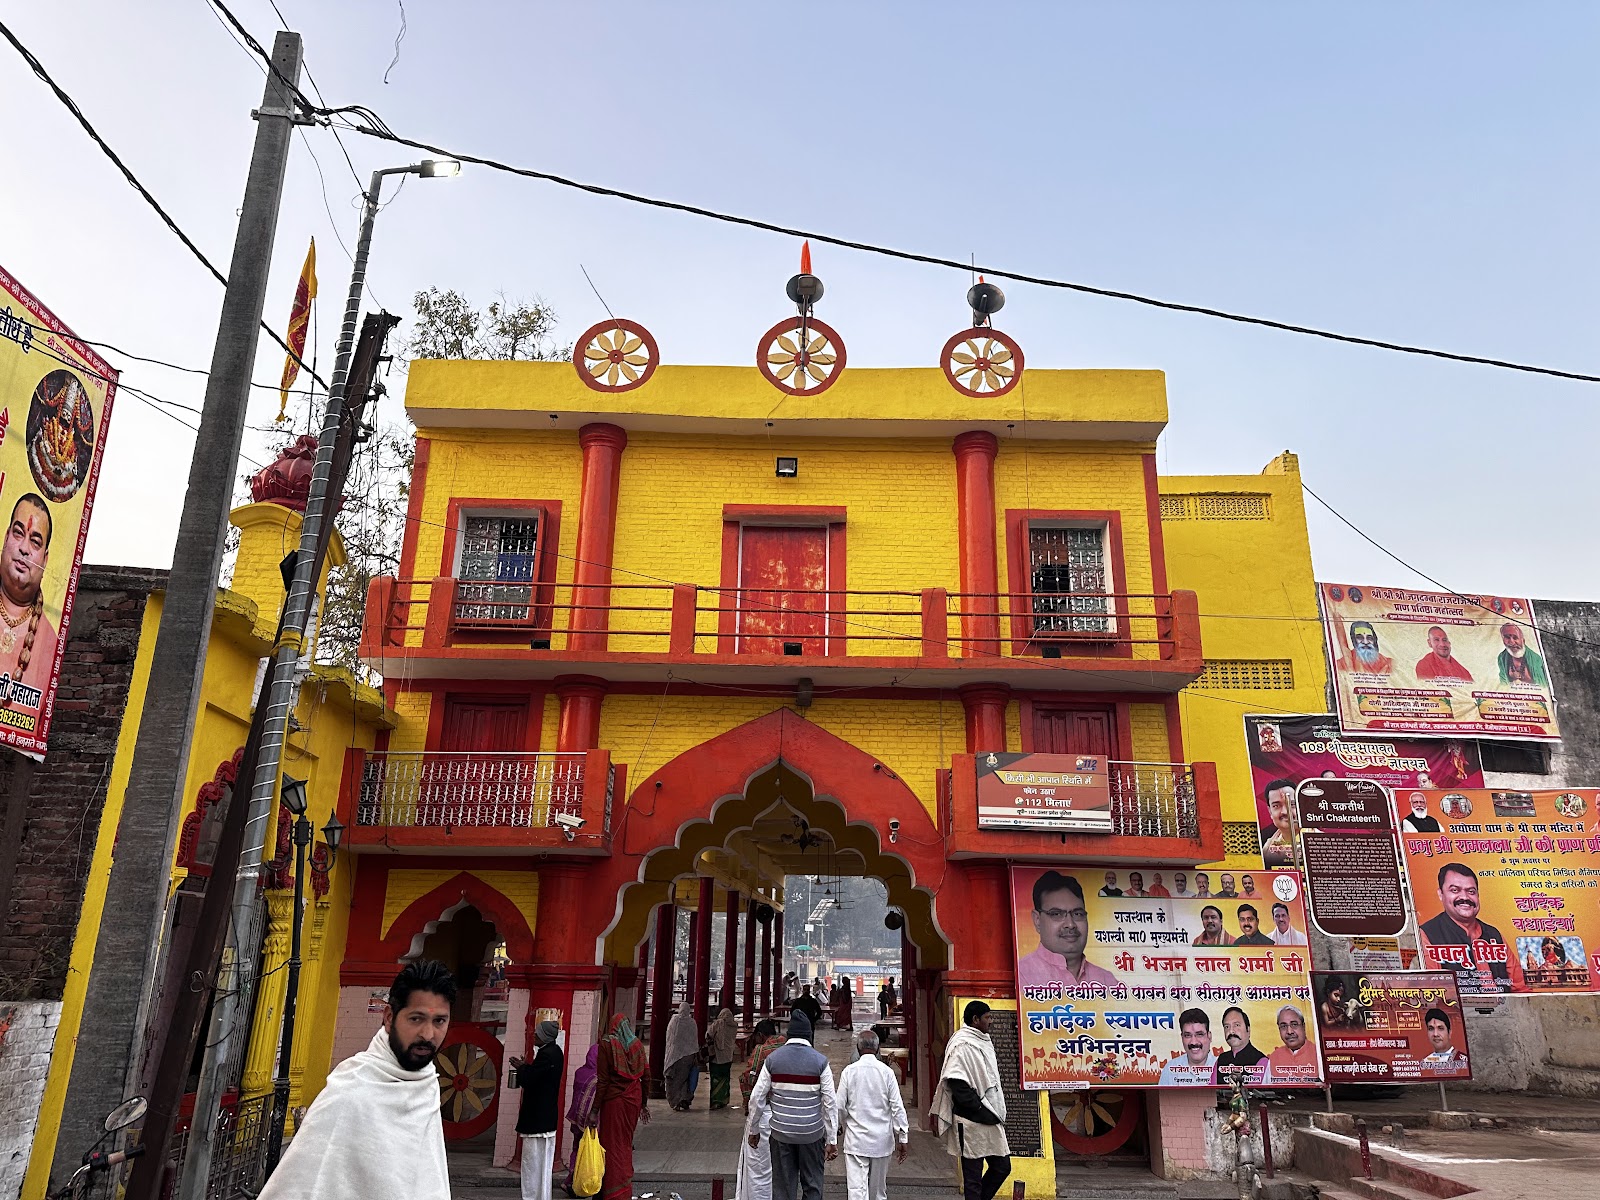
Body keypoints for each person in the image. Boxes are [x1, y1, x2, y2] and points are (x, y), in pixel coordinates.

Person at [257, 959, 454, 1200]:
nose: (428, 1034)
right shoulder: (350, 1090)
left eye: (439, 1021)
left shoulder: (426, 1083)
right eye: (416, 1019)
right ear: (389, 1017)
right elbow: (298, 1187)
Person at [746, 1010, 837, 1200]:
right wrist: (832, 1139)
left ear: (789, 1034)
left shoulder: (773, 1060)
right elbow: (830, 1102)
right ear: (809, 1035)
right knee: (813, 1186)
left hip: (781, 1134)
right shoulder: (821, 1062)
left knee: (783, 1188)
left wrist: (754, 1129)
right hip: (812, 1135)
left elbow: (756, 1097)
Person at [933, 1001, 1010, 1200]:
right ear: (975, 1019)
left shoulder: (982, 1040)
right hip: (970, 1120)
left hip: (990, 1115)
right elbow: (958, 1084)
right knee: (973, 1180)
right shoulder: (962, 1044)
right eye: (987, 1017)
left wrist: (990, 1111)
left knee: (1002, 1167)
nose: (990, 1021)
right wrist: (978, 1108)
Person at [1418, 862, 1516, 991]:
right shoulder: (1427, 935)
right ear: (1441, 894)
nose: (1465, 897)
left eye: (1471, 891)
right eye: (1455, 890)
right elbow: (1434, 993)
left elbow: (1520, 988)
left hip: (1503, 1004)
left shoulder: (1494, 935)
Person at [835, 1029, 909, 1200]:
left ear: (858, 1048)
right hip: (881, 1141)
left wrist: (835, 1129)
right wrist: (903, 1137)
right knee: (878, 1191)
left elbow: (839, 1106)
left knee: (856, 1190)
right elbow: (897, 1107)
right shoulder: (887, 1073)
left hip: (856, 1140)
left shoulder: (849, 1072)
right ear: (877, 1049)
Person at [1017, 870, 1118, 989]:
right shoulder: (1021, 975)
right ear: (1037, 920)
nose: (1070, 924)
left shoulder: (1107, 981)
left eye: (1078, 914)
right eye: (1056, 914)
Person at [0, 494, 58, 691]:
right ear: (6, 538)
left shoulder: (51, 642)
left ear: (45, 560)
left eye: (35, 541)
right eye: (18, 533)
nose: (24, 548)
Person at [595, 1014, 652, 1200]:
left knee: (611, 1146)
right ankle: (624, 1189)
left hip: (613, 1102)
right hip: (633, 1100)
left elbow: (603, 1081)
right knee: (625, 1144)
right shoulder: (637, 1045)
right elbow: (647, 1076)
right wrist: (643, 1103)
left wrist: (594, 1110)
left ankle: (613, 1191)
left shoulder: (607, 1044)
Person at [512, 1020, 565, 1200]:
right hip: (547, 1117)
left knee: (531, 1163)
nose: (534, 1036)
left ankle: (531, 1196)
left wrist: (521, 1068)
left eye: (537, 1034)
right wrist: (526, 1067)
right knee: (544, 1164)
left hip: (537, 1118)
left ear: (544, 1037)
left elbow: (530, 1079)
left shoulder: (545, 1056)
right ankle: (542, 1196)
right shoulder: (555, 1052)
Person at [737, 1019, 786, 1200]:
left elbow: (749, 1079)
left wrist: (748, 1106)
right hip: (784, 1114)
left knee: (757, 1165)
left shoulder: (762, 1050)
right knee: (778, 1165)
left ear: (760, 1035)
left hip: (763, 1112)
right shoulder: (787, 1048)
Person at [560, 1044, 600, 1196]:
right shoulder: (600, 1078)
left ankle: (569, 1181)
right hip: (592, 1122)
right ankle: (580, 1183)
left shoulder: (580, 1073)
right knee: (588, 1153)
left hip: (576, 1119)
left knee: (577, 1149)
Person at [1156, 1008, 1216, 1085]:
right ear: (1182, 1038)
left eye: (1199, 1034)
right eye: (1188, 1035)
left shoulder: (1221, 1068)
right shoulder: (1170, 1069)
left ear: (1209, 1036)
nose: (1193, 1042)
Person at [1212, 1006, 1267, 1086]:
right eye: (1227, 1027)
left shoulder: (1261, 1061)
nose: (1231, 1031)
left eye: (1237, 1025)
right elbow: (1211, 1091)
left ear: (1248, 1030)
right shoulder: (1221, 1060)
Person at [1266, 1006, 1317, 1084]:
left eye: (1294, 1024)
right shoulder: (1274, 1058)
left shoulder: (1319, 1055)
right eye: (1283, 1026)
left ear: (1303, 1026)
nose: (1289, 1031)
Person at [663, 1005, 700, 1111]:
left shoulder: (674, 1021)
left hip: (674, 1056)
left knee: (673, 1080)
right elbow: (694, 1040)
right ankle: (685, 1099)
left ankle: (675, 1102)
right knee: (685, 1080)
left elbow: (670, 1038)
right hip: (689, 1055)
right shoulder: (692, 1023)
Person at [1260, 778, 1297, 867]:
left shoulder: (1318, 843)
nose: (1285, 811)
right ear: (1270, 811)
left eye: (1291, 804)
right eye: (1276, 806)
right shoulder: (1267, 850)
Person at [710, 1007, 739, 1110]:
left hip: (717, 1056)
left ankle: (716, 1101)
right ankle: (724, 1100)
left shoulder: (717, 1024)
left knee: (715, 1079)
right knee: (725, 1079)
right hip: (728, 1056)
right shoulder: (734, 1026)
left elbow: (709, 1034)